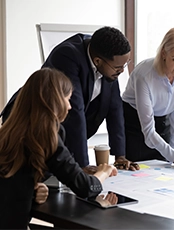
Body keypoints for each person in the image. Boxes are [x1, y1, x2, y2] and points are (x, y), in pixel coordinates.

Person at [0, 26, 139, 172]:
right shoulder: (67, 55)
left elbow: (115, 108)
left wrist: (120, 156)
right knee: (29, 176)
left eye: (125, 64)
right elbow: (74, 110)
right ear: (98, 61)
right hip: (31, 124)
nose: (122, 70)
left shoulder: (108, 63)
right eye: (118, 67)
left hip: (59, 129)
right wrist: (82, 165)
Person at [0, 68, 118, 229]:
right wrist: (103, 171)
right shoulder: (45, 135)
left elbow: (10, 183)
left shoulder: (8, 132)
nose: (69, 106)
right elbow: (86, 187)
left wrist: (32, 190)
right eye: (67, 99)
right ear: (55, 100)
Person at [121, 27, 174, 165]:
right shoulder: (144, 75)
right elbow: (149, 131)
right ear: (163, 54)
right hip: (135, 125)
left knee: (166, 172)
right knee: (139, 175)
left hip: (162, 122)